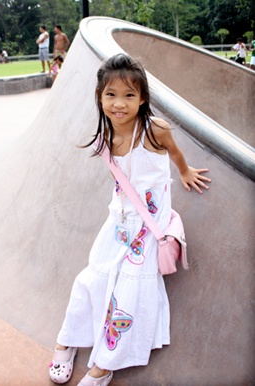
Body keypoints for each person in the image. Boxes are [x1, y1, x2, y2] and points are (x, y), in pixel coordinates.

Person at [48, 54, 211, 386]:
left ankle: (104, 365)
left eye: (128, 95)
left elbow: (175, 153)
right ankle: (67, 340)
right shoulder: (105, 135)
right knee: (91, 278)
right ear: (99, 97)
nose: (118, 104)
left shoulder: (155, 130)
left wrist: (184, 172)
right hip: (119, 220)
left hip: (150, 226)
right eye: (110, 95)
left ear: (142, 98)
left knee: (129, 291)